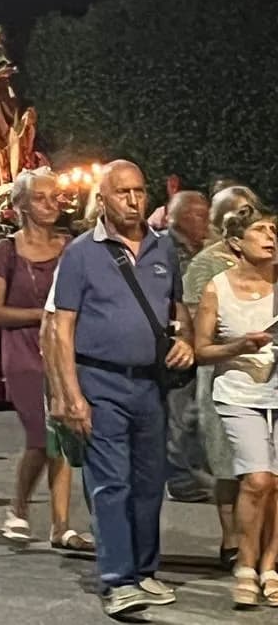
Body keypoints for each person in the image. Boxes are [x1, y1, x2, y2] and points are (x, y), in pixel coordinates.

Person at [53, 160, 194, 616]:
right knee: (111, 482)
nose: (133, 202)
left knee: (150, 482)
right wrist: (70, 394)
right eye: (122, 193)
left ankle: (144, 571)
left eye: (138, 192)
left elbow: (178, 307)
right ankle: (118, 579)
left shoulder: (163, 249)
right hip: (100, 380)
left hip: (150, 385)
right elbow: (61, 328)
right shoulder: (80, 253)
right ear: (103, 198)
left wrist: (186, 340)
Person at [0, 168, 90, 549]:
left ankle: (61, 525)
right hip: (24, 352)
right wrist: (44, 314)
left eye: (55, 197)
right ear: (21, 205)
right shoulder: (6, 251)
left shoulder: (73, 246)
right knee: (40, 437)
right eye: (41, 198)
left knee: (61, 434)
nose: (51, 204)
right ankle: (19, 505)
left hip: (65, 350)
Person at [194, 204, 278, 607]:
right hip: (239, 392)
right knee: (257, 479)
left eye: (273, 231)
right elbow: (201, 350)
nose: (270, 237)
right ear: (235, 243)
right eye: (260, 231)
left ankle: (270, 565)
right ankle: (245, 563)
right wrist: (240, 346)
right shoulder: (217, 287)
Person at [183, 184, 262, 569]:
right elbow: (200, 327)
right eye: (239, 213)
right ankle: (232, 541)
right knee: (230, 463)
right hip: (222, 372)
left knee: (263, 466)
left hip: (266, 371)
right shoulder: (205, 265)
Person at [162, 190, 212, 503]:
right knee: (179, 413)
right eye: (197, 214)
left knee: (195, 410)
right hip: (180, 342)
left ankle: (192, 470)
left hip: (203, 340)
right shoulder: (165, 248)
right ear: (178, 217)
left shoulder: (203, 249)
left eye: (207, 213)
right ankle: (178, 478)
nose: (205, 220)